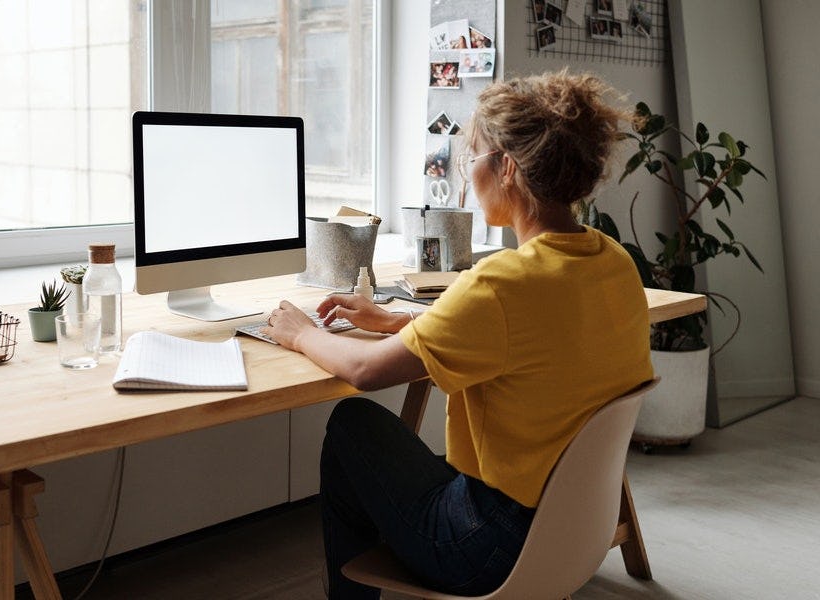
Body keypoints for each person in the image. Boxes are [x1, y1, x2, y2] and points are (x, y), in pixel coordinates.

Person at [261, 70, 654, 599]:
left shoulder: (502, 282)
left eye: (473, 158)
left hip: (488, 546)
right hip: (573, 525)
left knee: (352, 424)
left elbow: (364, 372)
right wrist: (396, 322)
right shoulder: (612, 260)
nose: (467, 175)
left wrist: (300, 333)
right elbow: (530, 340)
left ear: (508, 168)